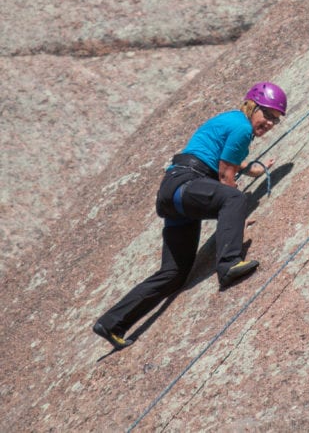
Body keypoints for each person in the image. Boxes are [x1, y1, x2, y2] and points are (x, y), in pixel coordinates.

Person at [93, 82, 287, 349]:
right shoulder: (241, 127)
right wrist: (237, 217)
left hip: (174, 196)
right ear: (252, 106)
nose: (269, 124)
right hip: (186, 184)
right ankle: (228, 264)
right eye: (267, 115)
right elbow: (224, 176)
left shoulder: (232, 123)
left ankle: (113, 322)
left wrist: (253, 170)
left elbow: (226, 161)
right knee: (234, 198)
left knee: (174, 273)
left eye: (275, 121)